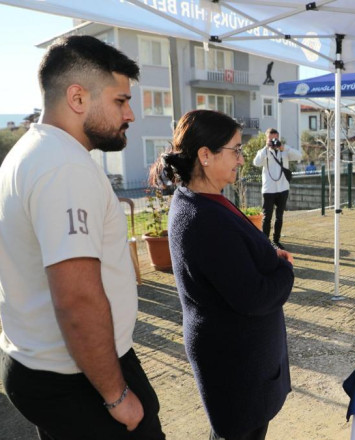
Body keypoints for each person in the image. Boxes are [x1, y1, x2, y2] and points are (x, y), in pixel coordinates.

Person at [0, 35, 165, 439]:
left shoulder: (28, 153)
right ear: (77, 98)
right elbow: (77, 299)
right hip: (79, 379)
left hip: (40, 366)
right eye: (120, 101)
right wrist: (116, 396)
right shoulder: (64, 167)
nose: (130, 114)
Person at [150, 110, 295, 440]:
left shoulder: (204, 202)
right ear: (206, 155)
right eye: (236, 150)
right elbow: (255, 296)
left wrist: (267, 255)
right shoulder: (202, 216)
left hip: (240, 358)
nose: (241, 159)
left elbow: (231, 261)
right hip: (236, 365)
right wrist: (286, 270)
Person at [252, 128, 302, 249]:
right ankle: (265, 242)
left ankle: (276, 240)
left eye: (275, 138)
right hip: (269, 189)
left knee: (279, 216)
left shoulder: (284, 151)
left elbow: (299, 155)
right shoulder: (263, 152)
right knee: (267, 217)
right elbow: (256, 162)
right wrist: (266, 147)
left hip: (283, 188)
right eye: (271, 139)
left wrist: (283, 147)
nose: (273, 141)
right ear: (266, 139)